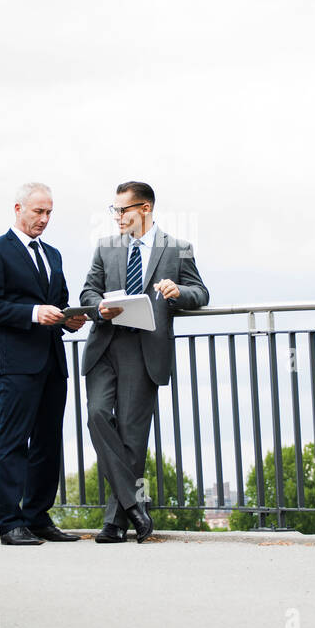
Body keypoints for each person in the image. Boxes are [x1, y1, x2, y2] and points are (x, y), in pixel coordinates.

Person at [80, 181, 209, 542]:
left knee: (132, 437)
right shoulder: (105, 248)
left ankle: (116, 522)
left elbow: (201, 292)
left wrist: (178, 292)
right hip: (107, 345)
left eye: (124, 210)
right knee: (96, 416)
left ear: (146, 208)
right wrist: (100, 305)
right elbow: (88, 291)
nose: (118, 217)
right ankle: (134, 504)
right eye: (115, 211)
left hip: (145, 351)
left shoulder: (179, 249)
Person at [0, 183, 87, 545]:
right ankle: (10, 523)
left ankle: (38, 517)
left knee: (48, 442)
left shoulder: (53, 254)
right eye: (39, 211)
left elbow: (61, 301)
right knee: (12, 439)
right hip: (16, 362)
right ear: (19, 208)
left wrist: (72, 319)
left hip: (53, 360)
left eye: (50, 212)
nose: (45, 219)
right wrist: (36, 313)